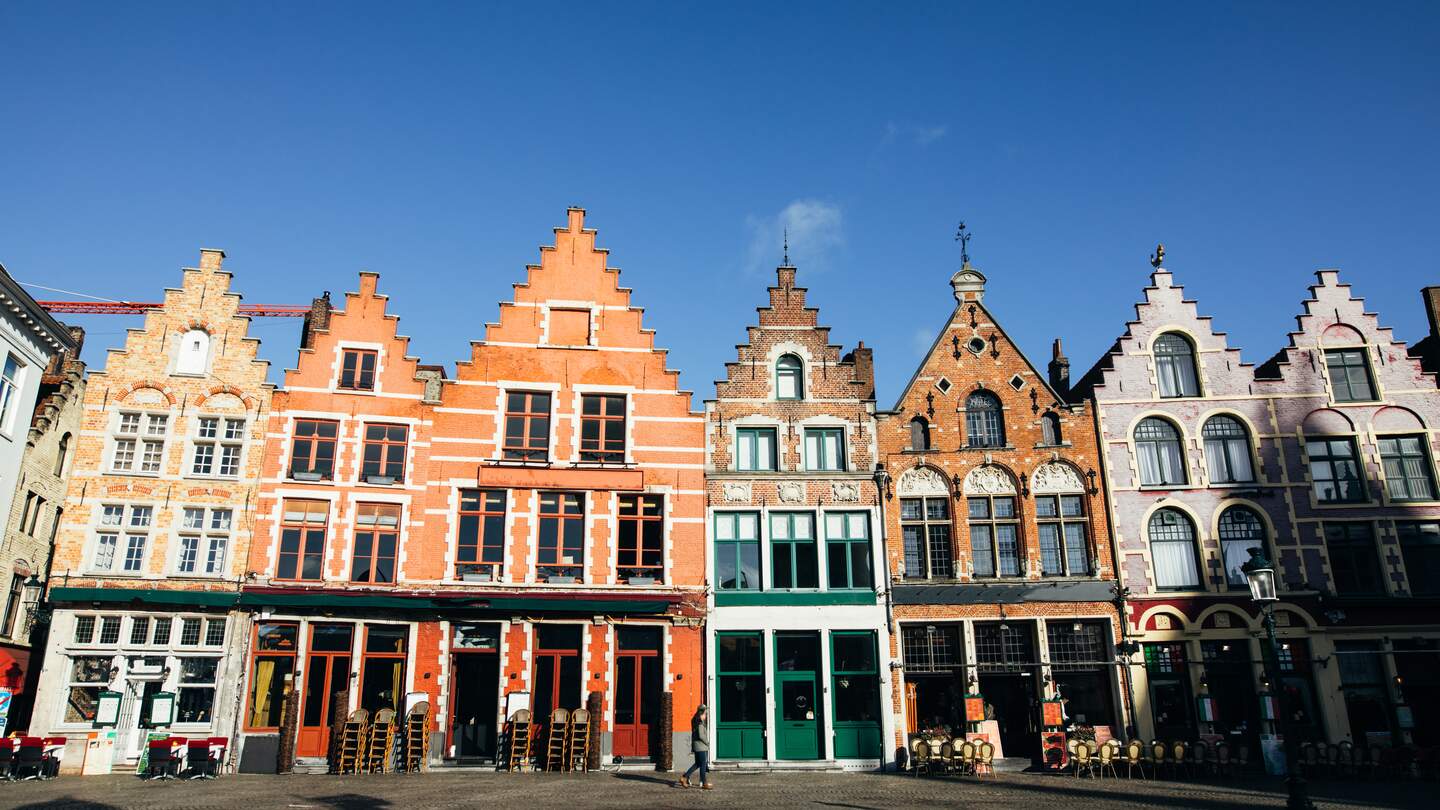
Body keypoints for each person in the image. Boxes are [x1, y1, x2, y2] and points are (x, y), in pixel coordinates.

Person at [678, 704, 712, 789]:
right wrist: (707, 742)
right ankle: (704, 783)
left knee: (697, 764)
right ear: (701, 714)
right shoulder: (700, 723)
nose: (706, 715)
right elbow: (701, 735)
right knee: (703, 765)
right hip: (701, 747)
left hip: (696, 746)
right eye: (705, 714)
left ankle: (684, 777)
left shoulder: (695, 720)